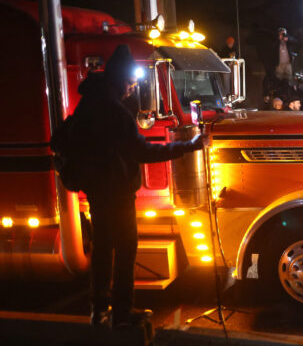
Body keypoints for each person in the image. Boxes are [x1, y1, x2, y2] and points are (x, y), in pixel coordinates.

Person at [72, 45, 204, 329]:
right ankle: (121, 311)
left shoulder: (89, 102)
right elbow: (141, 151)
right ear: (120, 79)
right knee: (125, 250)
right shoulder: (114, 111)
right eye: (131, 82)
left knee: (103, 250)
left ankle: (98, 311)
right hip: (117, 191)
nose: (133, 88)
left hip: (97, 190)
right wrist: (186, 147)